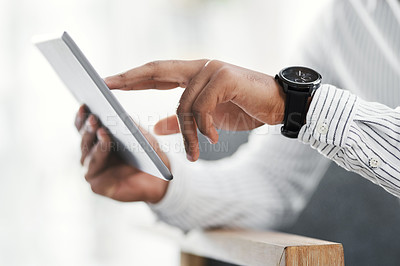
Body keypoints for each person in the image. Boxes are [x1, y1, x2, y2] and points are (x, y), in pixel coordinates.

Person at [75, 0, 400, 231]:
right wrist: (164, 183)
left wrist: (292, 106)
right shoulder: (344, 21)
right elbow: (274, 183)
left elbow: (294, 109)